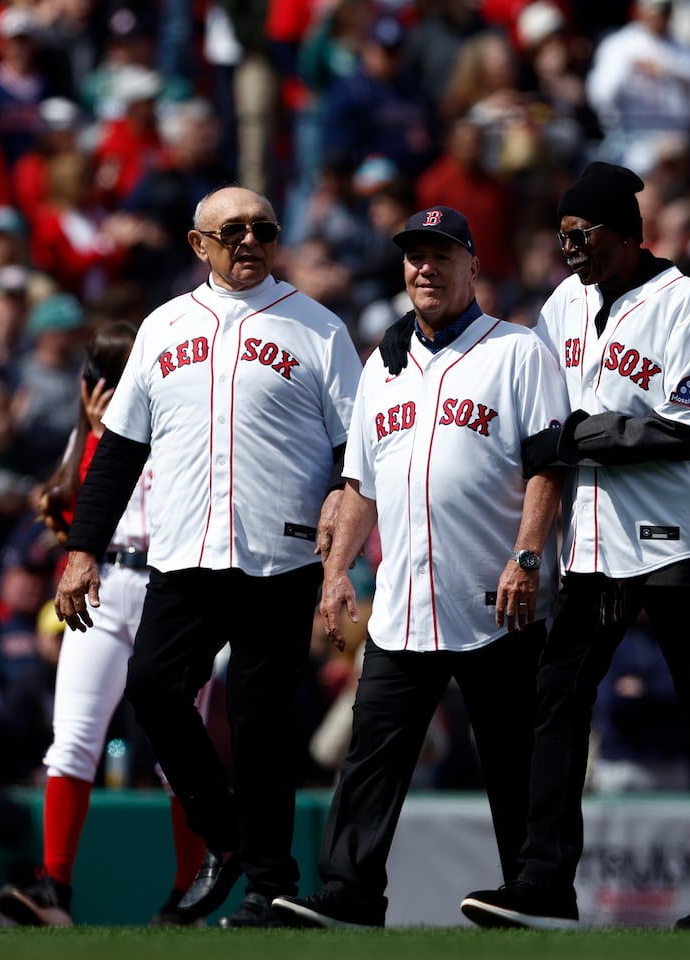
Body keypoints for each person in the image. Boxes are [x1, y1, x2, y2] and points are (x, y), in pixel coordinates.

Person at [54, 186, 362, 928]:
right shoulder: (163, 326)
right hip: (186, 555)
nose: (250, 240)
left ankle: (267, 886)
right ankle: (226, 838)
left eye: (264, 228)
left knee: (260, 725)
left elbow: (360, 451)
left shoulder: (318, 328)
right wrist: (82, 550)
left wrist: (342, 540)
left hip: (279, 559)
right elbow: (120, 451)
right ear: (200, 245)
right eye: (233, 231)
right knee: (154, 691)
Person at [459, 161, 690, 930]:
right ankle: (543, 884)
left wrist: (577, 436)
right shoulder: (564, 304)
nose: (570, 250)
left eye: (581, 234)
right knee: (555, 703)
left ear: (625, 232)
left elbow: (687, 426)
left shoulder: (681, 300)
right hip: (592, 547)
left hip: (680, 539)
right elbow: (528, 400)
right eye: (561, 237)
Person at [268, 206, 569, 929]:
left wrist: (528, 557)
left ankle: (540, 894)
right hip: (405, 601)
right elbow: (360, 485)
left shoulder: (519, 351)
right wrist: (337, 570)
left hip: (497, 595)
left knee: (512, 759)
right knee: (371, 756)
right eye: (413, 257)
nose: (424, 268)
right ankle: (349, 894)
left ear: (472, 265)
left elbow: (549, 468)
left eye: (440, 255)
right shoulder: (384, 363)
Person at [0, 321, 207, 927]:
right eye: (103, 374)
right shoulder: (87, 434)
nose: (110, 385)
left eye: (121, 371)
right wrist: (94, 433)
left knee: (177, 758)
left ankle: (188, 897)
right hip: (103, 581)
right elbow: (68, 512)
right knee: (73, 741)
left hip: (171, 588)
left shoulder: (183, 418)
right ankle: (53, 887)